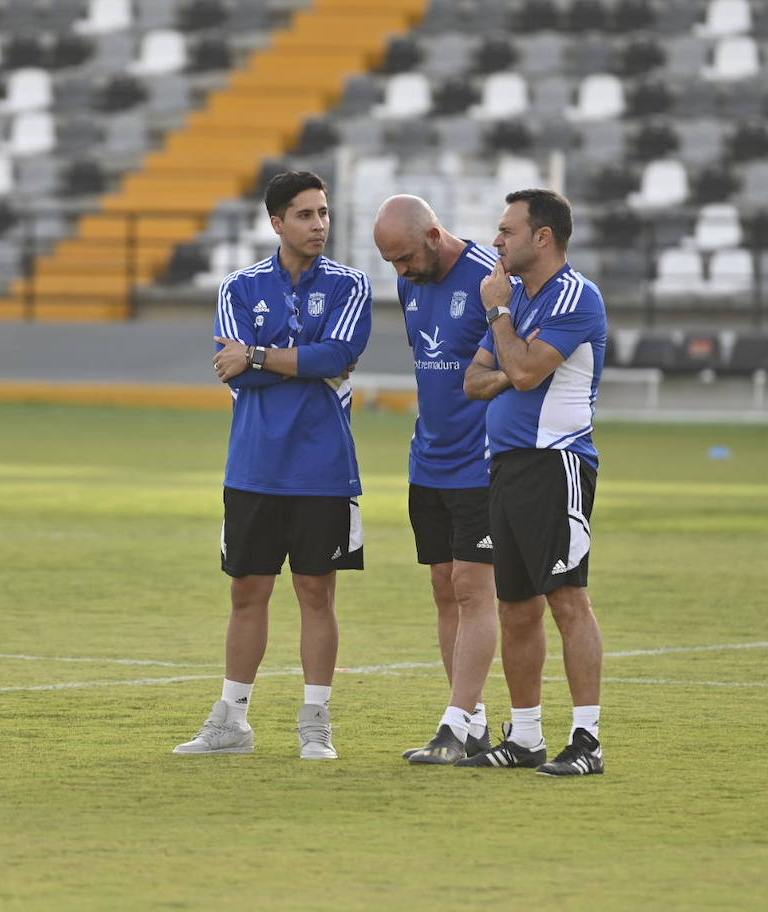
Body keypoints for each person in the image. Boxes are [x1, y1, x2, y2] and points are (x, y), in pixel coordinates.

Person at [174, 170, 372, 760]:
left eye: (324, 213)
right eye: (306, 215)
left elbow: (337, 354)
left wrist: (261, 356)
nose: (319, 225)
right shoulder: (238, 287)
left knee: (317, 593)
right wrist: (302, 361)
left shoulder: (350, 285)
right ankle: (231, 719)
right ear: (276, 222)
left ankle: (316, 723)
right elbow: (229, 366)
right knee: (248, 592)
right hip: (254, 466)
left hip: (323, 466)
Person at [460, 188, 608, 776]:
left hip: (558, 464)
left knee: (567, 599)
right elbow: (477, 380)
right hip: (507, 465)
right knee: (516, 607)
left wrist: (501, 325)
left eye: (506, 230)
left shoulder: (575, 296)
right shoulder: (517, 295)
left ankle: (588, 740)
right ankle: (525, 738)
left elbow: (520, 369)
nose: (496, 241)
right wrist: (511, 358)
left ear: (541, 237)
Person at [371, 195, 499, 766]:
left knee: (474, 591)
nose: (400, 272)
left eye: (403, 258)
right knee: (445, 591)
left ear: (433, 234)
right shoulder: (409, 284)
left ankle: (454, 723)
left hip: (482, 464)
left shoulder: (489, 281)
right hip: (428, 462)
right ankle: (470, 720)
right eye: (390, 263)